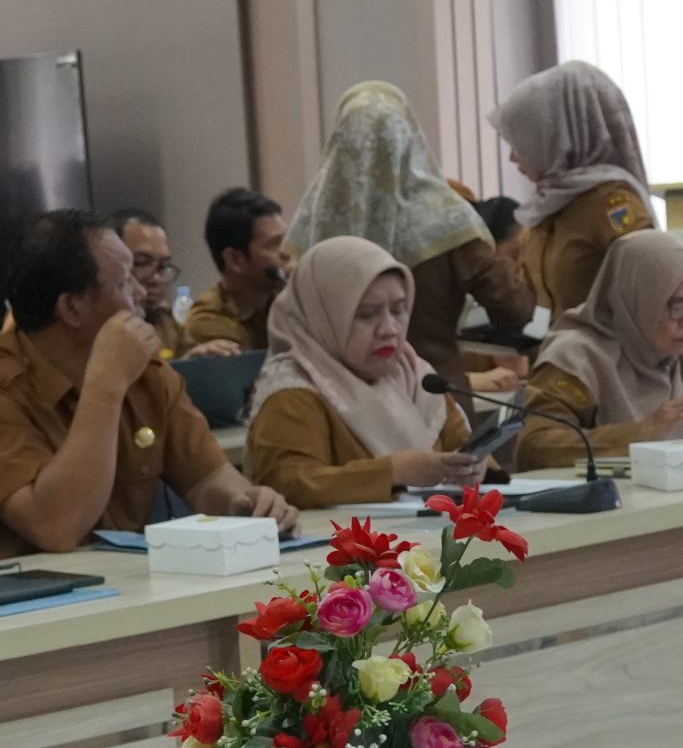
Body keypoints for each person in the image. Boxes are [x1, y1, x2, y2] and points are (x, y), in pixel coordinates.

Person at [0, 210, 298, 565]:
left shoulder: (147, 372)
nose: (141, 292)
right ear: (72, 308)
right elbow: (57, 528)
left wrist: (248, 504)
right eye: (123, 282)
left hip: (119, 584)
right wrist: (106, 384)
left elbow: (207, 478)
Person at [285, 82, 534, 395]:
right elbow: (516, 309)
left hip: (336, 398)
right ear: (411, 138)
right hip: (432, 393)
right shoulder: (448, 218)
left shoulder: (313, 217)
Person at [245, 236, 478, 508]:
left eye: (398, 310)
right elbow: (288, 483)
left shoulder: (416, 377)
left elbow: (463, 445)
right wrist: (393, 472)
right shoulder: (293, 393)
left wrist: (474, 467)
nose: (389, 329)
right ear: (324, 317)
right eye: (367, 314)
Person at [517, 230, 683, 468]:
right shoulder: (577, 356)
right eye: (677, 306)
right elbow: (536, 445)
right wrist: (641, 433)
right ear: (637, 300)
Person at [490, 62, 657, 316]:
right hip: (555, 343)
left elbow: (649, 296)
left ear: (556, 136)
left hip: (605, 344)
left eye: (522, 141)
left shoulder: (610, 202)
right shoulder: (548, 205)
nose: (512, 156)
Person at [107, 208, 227, 361]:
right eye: (141, 263)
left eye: (163, 267)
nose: (156, 278)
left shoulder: (167, 321)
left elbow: (187, 358)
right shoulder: (97, 326)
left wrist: (193, 363)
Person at [185, 188, 289, 351]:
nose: (287, 253)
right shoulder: (207, 321)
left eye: (286, 240)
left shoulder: (285, 296)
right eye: (274, 244)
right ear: (235, 260)